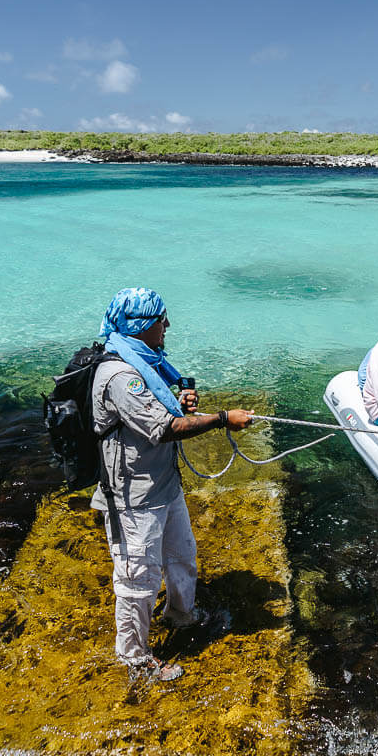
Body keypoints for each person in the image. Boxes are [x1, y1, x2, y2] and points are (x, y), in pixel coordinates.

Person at [90, 287, 256, 681]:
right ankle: (134, 657)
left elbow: (163, 411)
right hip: (134, 496)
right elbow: (163, 428)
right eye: (161, 319)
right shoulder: (120, 375)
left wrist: (180, 401)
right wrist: (220, 419)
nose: (167, 325)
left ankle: (181, 615)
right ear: (141, 325)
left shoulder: (148, 361)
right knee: (138, 578)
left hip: (164, 484)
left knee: (183, 556)